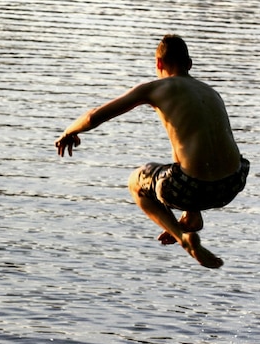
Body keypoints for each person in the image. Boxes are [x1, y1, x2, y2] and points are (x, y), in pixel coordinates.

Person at [55, 34, 249, 269]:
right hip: (232, 184)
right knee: (185, 151)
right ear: (190, 64)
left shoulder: (155, 88)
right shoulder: (211, 92)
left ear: (158, 64)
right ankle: (192, 215)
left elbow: (92, 116)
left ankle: (184, 239)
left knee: (136, 182)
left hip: (191, 187)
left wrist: (68, 132)